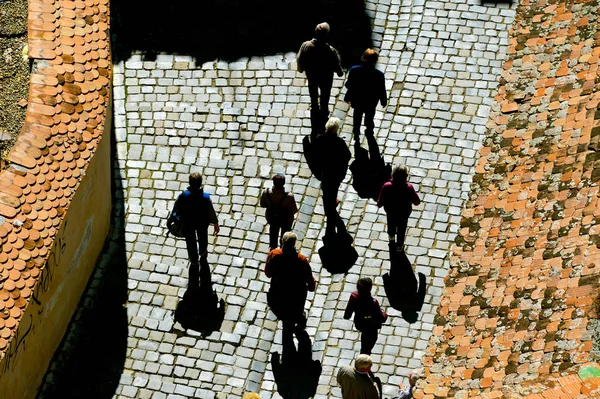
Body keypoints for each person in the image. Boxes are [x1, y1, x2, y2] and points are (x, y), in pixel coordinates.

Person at [265, 232, 317, 362]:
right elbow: (308, 278)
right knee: (296, 312)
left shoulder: (274, 255)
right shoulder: (301, 259)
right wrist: (311, 285)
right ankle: (299, 321)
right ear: (294, 243)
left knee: (286, 322)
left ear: (282, 241)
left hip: (280, 293)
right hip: (297, 294)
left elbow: (268, 273)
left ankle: (287, 353)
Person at [174, 173, 220, 286]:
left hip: (188, 224)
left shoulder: (183, 196)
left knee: (190, 241)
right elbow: (211, 212)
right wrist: (215, 223)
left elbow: (176, 209)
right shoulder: (205, 198)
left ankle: (194, 260)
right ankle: (203, 253)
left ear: (189, 183)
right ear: (200, 184)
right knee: (203, 238)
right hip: (201, 224)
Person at [314, 117, 351, 241]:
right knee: (330, 196)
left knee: (327, 194)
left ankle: (332, 215)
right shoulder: (339, 142)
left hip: (325, 173)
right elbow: (348, 156)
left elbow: (316, 155)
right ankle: (335, 220)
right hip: (335, 175)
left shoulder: (320, 139)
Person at [297, 22, 344, 117]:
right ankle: (324, 108)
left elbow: (300, 58)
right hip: (326, 78)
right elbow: (336, 66)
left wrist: (301, 68)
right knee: (325, 94)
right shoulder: (330, 51)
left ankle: (314, 106)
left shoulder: (306, 45)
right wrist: (340, 72)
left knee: (313, 90)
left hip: (312, 75)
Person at [344, 48, 387, 143]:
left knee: (357, 115)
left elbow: (348, 85)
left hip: (358, 100)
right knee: (370, 116)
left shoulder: (354, 70)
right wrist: (383, 101)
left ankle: (356, 131)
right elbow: (381, 90)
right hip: (371, 102)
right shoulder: (379, 75)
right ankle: (369, 129)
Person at [377, 165, 420, 251]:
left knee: (391, 224)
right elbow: (417, 202)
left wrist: (379, 204)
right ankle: (400, 246)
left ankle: (391, 238)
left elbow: (380, 201)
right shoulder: (409, 187)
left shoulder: (387, 186)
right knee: (402, 229)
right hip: (404, 213)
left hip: (391, 211)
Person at [344, 277, 387, 355]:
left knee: (365, 342)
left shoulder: (354, 296)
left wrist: (348, 315)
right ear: (370, 288)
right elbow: (381, 318)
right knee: (368, 345)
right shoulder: (373, 303)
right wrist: (384, 314)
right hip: (371, 326)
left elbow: (348, 313)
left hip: (359, 323)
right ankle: (364, 359)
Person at [260, 174, 298, 250]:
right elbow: (294, 210)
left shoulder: (266, 192)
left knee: (273, 230)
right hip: (286, 219)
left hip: (272, 218)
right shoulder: (289, 196)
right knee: (285, 233)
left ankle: (273, 247)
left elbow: (262, 204)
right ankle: (283, 247)